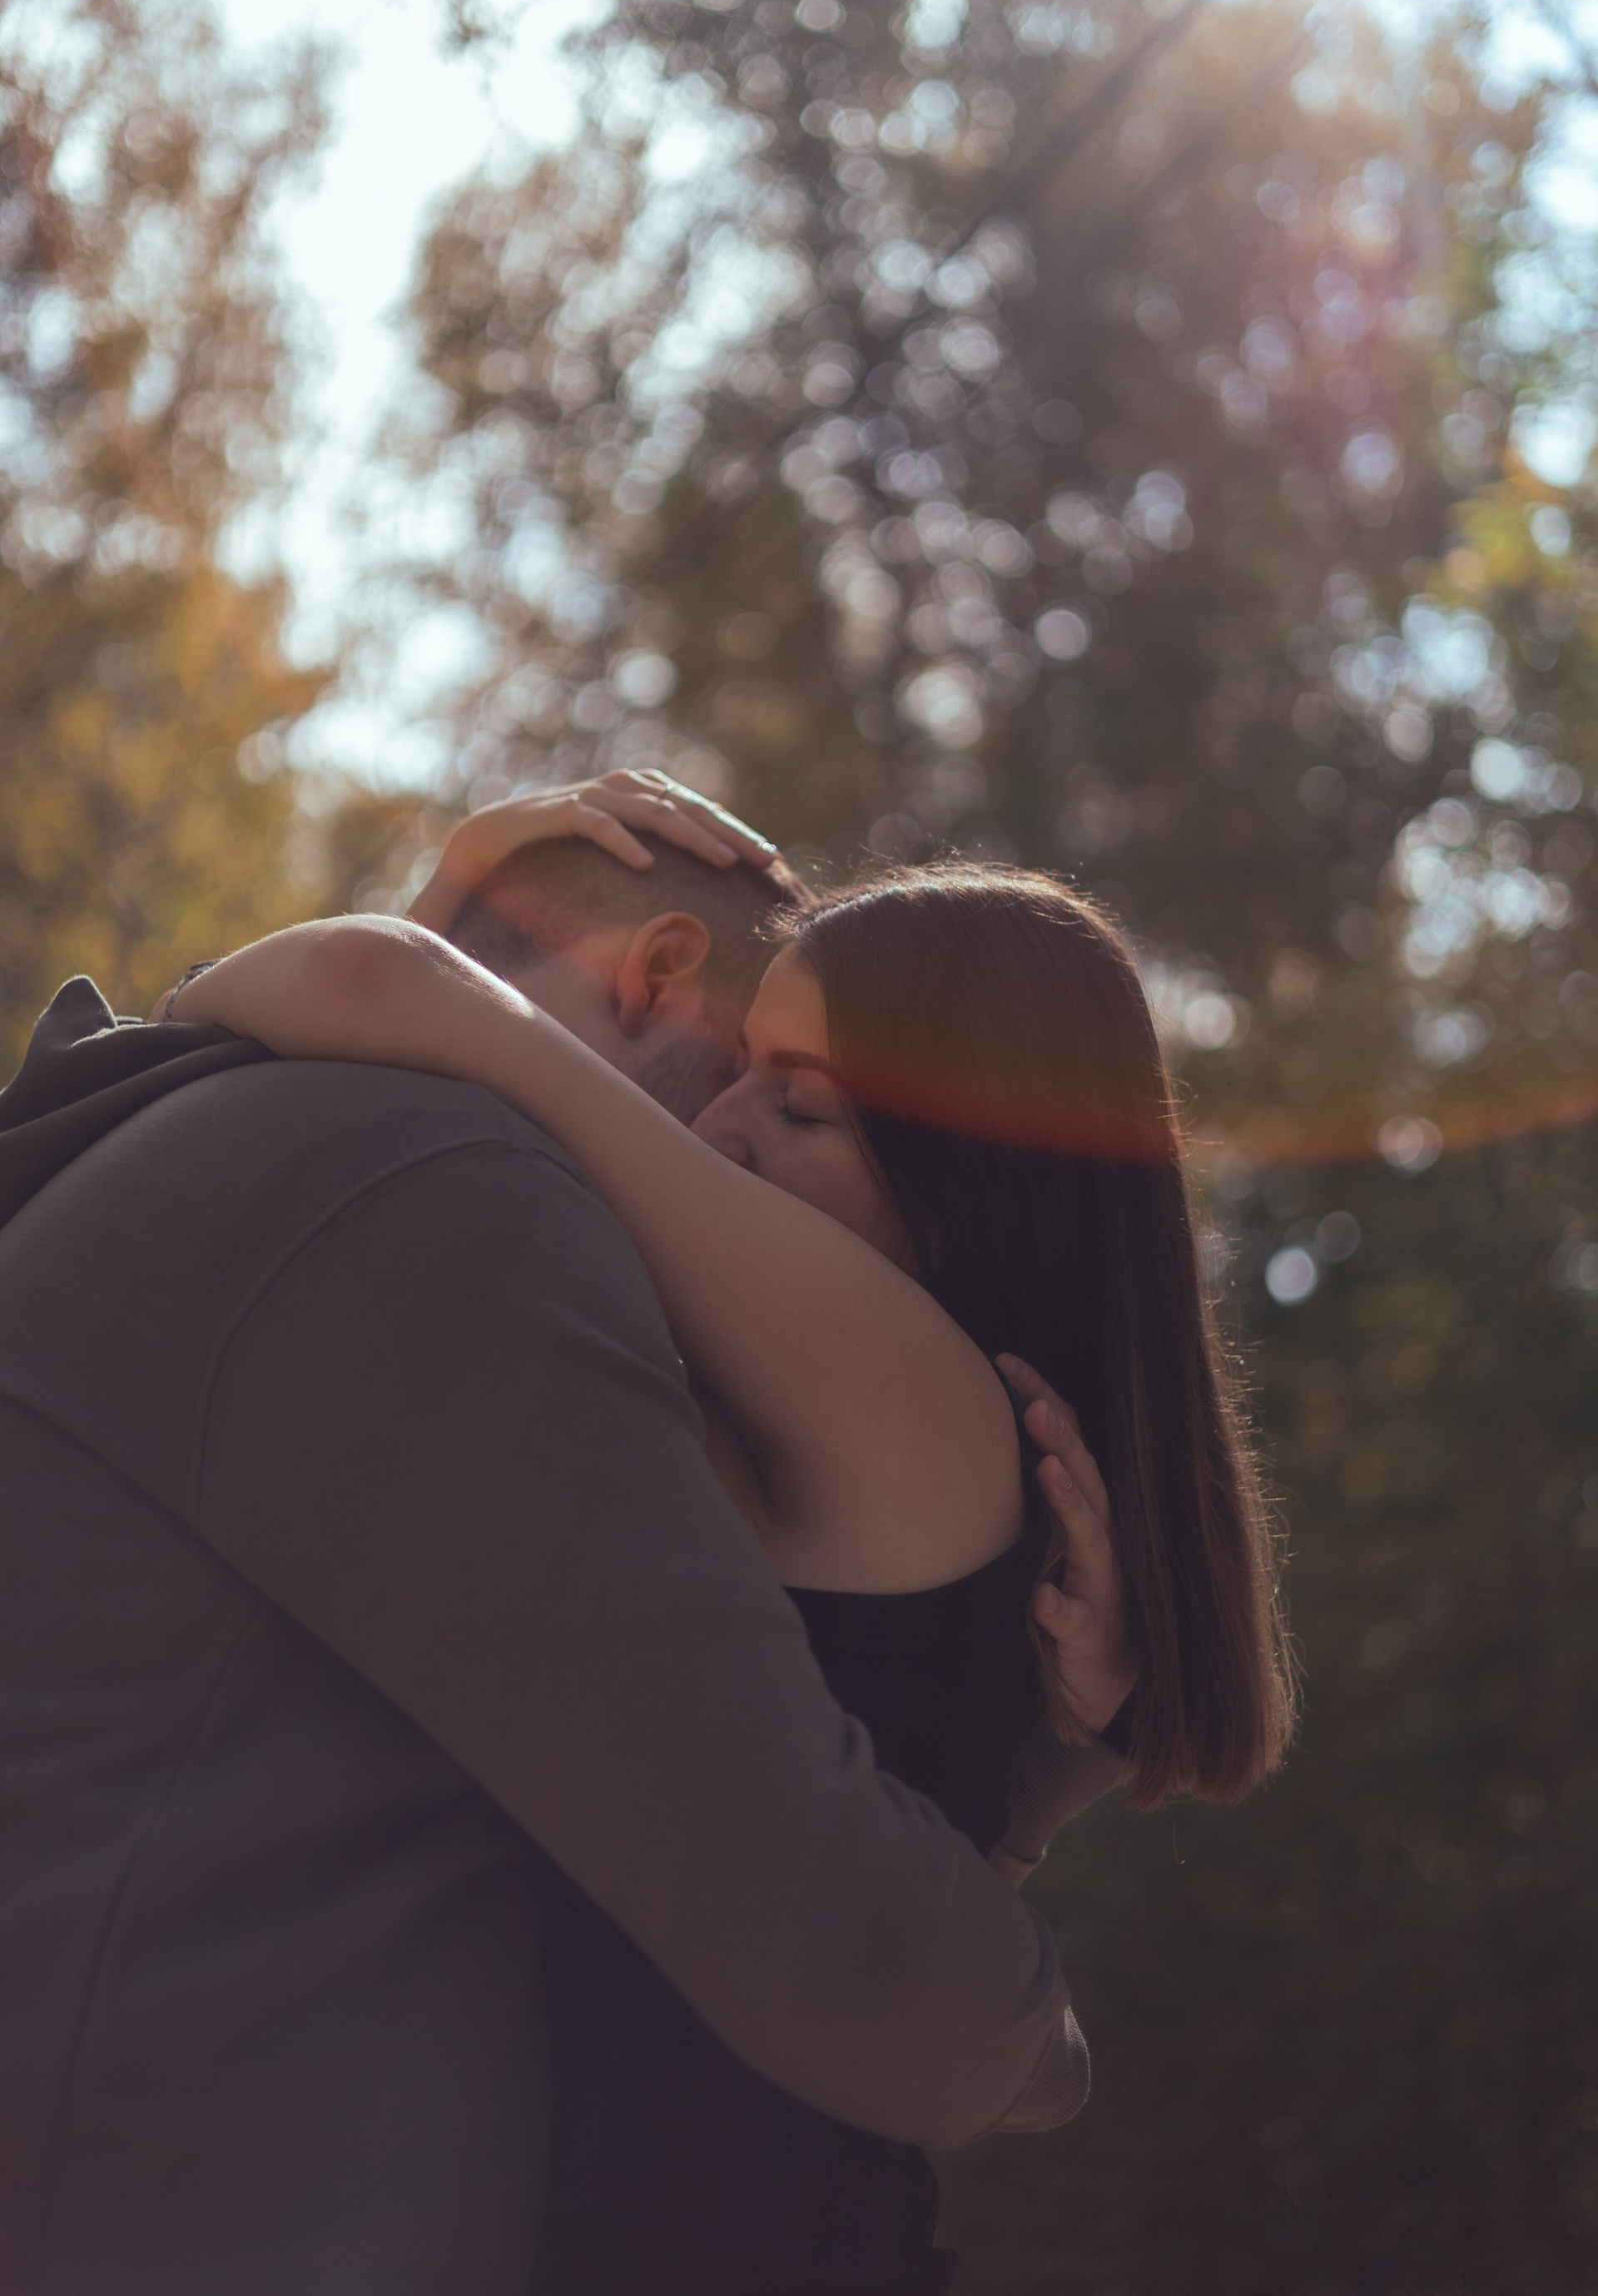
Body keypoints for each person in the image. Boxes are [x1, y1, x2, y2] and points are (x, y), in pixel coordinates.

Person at [165, 771, 1296, 2295]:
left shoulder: (906, 1399)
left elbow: (386, 1006)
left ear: (975, 1182)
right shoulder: (901, 1443)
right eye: (745, 1067)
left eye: (801, 1103)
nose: (722, 1122)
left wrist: (468, 906)